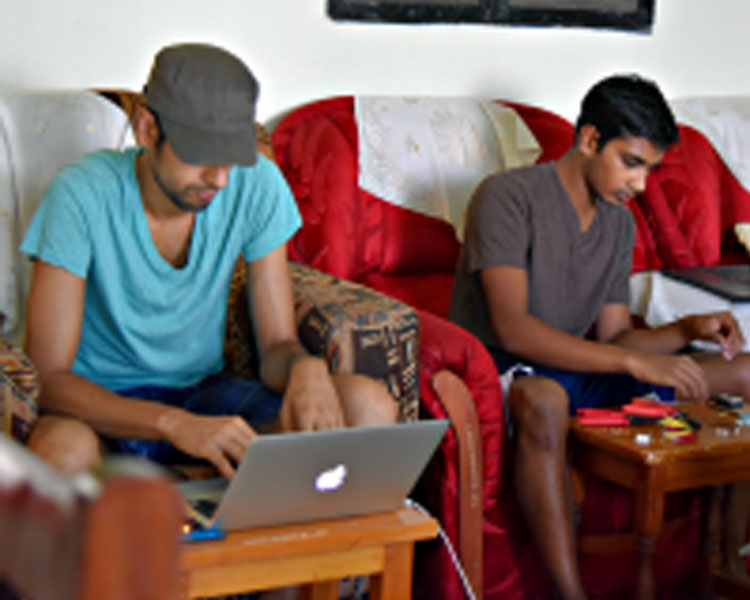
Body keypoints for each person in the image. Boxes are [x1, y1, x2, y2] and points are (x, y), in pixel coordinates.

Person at [21, 43, 397, 480]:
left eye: (231, 160)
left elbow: (276, 344)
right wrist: (174, 426)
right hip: (103, 408)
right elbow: (48, 378)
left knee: (368, 406)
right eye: (201, 155)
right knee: (59, 451)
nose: (219, 179)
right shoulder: (80, 195)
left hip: (205, 396)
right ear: (146, 129)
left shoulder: (257, 185)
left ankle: (298, 547)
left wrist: (304, 367)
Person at [450, 74, 750, 600]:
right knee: (543, 400)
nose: (640, 185)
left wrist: (686, 331)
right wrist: (631, 365)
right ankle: (572, 595)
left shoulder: (617, 222)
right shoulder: (506, 198)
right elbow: (513, 328)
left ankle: (730, 564)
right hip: (508, 369)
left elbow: (617, 337)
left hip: (584, 367)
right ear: (588, 140)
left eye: (650, 170)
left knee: (746, 371)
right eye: (631, 163)